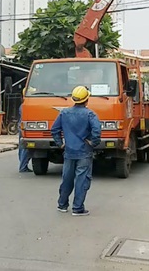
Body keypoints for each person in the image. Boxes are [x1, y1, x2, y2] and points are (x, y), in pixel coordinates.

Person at [51, 86, 101, 216]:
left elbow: (54, 129)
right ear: (87, 99)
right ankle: (77, 208)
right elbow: (97, 131)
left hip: (69, 151)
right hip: (84, 151)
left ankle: (62, 204)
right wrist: (93, 143)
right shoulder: (90, 114)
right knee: (82, 179)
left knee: (67, 178)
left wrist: (60, 143)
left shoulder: (64, 113)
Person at [18, 104, 31, 173]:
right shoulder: (26, 106)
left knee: (22, 146)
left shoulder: (23, 105)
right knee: (26, 147)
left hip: (21, 126)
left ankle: (22, 164)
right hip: (24, 127)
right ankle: (23, 166)